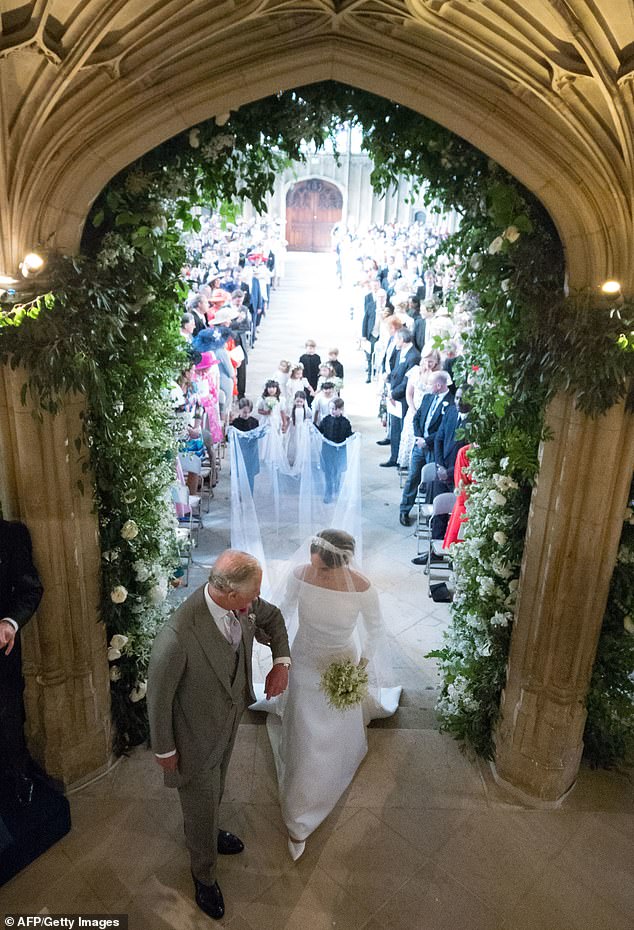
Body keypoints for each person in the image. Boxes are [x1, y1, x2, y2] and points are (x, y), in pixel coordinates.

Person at [147, 550, 291, 921]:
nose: (255, 602)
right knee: (200, 797)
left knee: (214, 791)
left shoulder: (243, 605)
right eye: (250, 596)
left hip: (228, 720)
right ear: (227, 595)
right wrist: (165, 750)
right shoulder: (178, 635)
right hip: (193, 735)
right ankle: (203, 874)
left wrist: (280, 663)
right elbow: (158, 699)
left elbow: (273, 620)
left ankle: (206, 832)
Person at [256, 530, 400, 860]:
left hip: (341, 661)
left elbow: (376, 629)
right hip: (305, 657)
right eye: (313, 565)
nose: (315, 572)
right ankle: (300, 814)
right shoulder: (299, 575)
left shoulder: (362, 588)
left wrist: (361, 665)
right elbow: (283, 613)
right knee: (305, 733)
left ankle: (335, 766)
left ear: (342, 564)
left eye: (322, 569)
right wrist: (273, 644)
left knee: (337, 723)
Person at [0, 518, 44, 806]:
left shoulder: (11, 535)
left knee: (8, 714)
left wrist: (10, 623)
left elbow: (31, 589)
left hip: (1, 648)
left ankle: (18, 775)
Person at [318, 397, 353, 503]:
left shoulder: (345, 422)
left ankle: (337, 486)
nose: (332, 411)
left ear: (341, 409)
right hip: (327, 450)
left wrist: (355, 436)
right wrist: (312, 428)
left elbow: (348, 435)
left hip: (339, 451)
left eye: (334, 409)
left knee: (337, 471)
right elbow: (320, 431)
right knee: (328, 472)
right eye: (331, 409)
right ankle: (328, 492)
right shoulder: (326, 420)